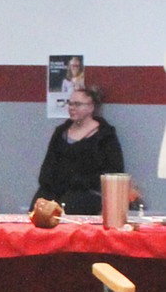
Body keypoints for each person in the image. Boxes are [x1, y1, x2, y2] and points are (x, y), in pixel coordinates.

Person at [31, 85, 124, 216]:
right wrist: (48, 183)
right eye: (70, 104)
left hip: (87, 191)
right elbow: (48, 164)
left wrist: (82, 182)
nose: (72, 108)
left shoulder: (105, 136)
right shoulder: (60, 132)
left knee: (70, 206)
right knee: (38, 208)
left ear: (91, 107)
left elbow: (114, 170)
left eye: (77, 104)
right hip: (55, 190)